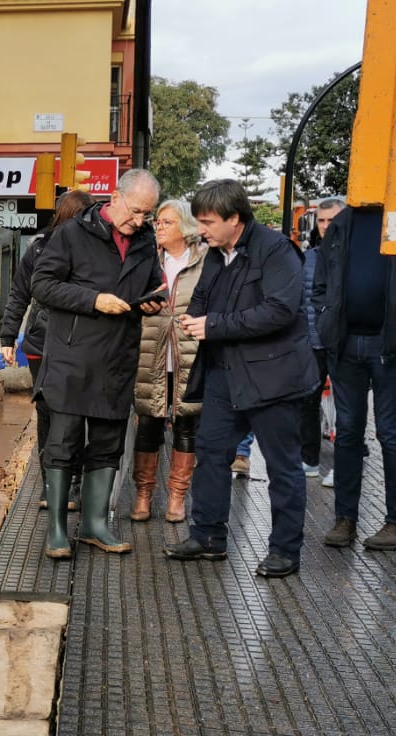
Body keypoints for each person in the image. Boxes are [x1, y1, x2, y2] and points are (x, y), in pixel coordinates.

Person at [162, 180, 318, 578]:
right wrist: (192, 318)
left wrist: (213, 325)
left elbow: (280, 311)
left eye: (208, 222)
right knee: (211, 454)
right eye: (198, 222)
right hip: (224, 374)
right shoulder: (217, 252)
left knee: (283, 467)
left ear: (235, 218)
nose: (201, 230)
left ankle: (285, 550)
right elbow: (203, 298)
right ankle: (208, 536)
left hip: (273, 377)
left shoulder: (277, 250)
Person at [31, 169, 165, 558]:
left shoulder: (144, 241)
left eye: (147, 215)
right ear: (114, 197)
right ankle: (57, 529)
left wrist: (153, 299)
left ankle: (94, 524)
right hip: (72, 357)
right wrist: (94, 300)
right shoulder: (72, 234)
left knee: (107, 445)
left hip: (118, 357)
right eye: (135, 211)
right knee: (63, 443)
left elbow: (153, 280)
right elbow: (43, 285)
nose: (139, 221)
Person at [311, 205, 396, 551]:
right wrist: (326, 319)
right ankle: (345, 519)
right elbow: (321, 281)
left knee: (391, 431)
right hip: (344, 343)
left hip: (388, 345)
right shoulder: (341, 223)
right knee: (348, 432)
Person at [0, 190, 94, 511]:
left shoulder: (94, 250)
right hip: (41, 344)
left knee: (74, 413)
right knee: (47, 413)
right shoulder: (39, 248)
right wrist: (7, 337)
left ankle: (73, 486)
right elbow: (19, 294)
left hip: (79, 345)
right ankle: (51, 485)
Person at [131, 199, 207, 523]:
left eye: (166, 222)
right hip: (151, 355)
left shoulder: (206, 262)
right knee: (147, 426)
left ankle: (177, 497)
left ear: (185, 227)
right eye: (157, 222)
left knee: (186, 427)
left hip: (190, 357)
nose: (158, 227)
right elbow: (130, 298)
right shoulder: (147, 259)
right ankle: (144, 495)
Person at [302, 197, 343, 478]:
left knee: (347, 407)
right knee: (307, 402)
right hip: (312, 341)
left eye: (332, 220)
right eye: (322, 221)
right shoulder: (308, 258)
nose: (326, 226)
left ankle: (343, 468)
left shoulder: (356, 257)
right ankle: (309, 460)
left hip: (344, 342)